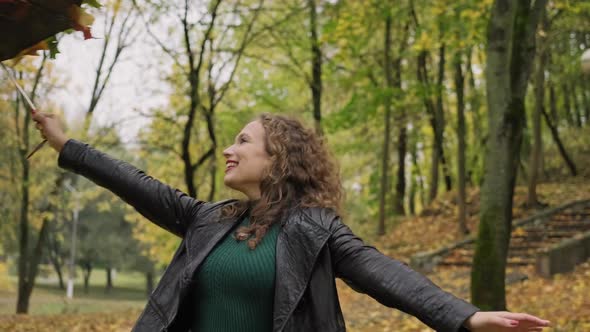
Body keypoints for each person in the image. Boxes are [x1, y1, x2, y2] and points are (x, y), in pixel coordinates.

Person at [32, 111, 550, 332]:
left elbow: (387, 275)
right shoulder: (208, 219)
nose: (229, 150)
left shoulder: (315, 229)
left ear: (277, 161)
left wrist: (465, 317)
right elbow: (135, 182)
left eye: (242, 142)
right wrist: (65, 144)